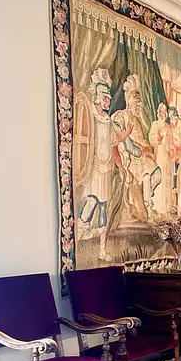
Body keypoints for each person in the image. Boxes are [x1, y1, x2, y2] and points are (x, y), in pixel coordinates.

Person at [76, 68, 116, 261]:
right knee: (91, 201)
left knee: (103, 206)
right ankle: (78, 234)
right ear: (99, 97)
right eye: (105, 98)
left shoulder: (108, 120)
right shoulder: (90, 114)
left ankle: (102, 248)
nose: (108, 101)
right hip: (93, 166)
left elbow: (113, 142)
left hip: (105, 167)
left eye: (108, 98)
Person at [112, 75, 156, 222]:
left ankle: (148, 208)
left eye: (139, 106)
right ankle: (140, 210)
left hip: (138, 157)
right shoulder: (121, 115)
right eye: (136, 105)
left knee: (153, 174)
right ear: (130, 103)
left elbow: (141, 141)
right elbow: (120, 138)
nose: (138, 108)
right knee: (143, 177)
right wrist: (139, 150)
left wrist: (146, 149)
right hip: (127, 156)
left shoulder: (136, 120)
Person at [148, 102, 175, 215]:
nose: (161, 114)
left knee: (167, 182)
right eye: (160, 112)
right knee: (159, 181)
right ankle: (158, 209)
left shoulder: (168, 127)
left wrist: (171, 148)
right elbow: (151, 139)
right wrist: (157, 138)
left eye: (163, 112)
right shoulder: (155, 124)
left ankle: (167, 209)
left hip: (167, 158)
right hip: (159, 156)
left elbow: (171, 141)